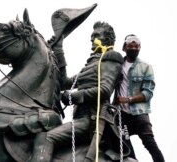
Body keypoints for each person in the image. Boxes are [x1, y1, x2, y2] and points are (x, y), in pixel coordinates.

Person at [29, 21, 126, 162]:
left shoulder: (111, 57)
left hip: (92, 120)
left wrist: (73, 97)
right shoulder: (92, 63)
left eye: (96, 35)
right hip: (80, 118)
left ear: (107, 39)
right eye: (92, 36)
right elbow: (65, 83)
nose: (92, 39)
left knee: (45, 138)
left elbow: (105, 90)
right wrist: (58, 49)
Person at [114, 34, 165, 162]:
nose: (134, 48)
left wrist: (128, 99)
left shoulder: (145, 67)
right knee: (123, 143)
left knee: (150, 144)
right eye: (131, 46)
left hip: (140, 113)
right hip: (122, 115)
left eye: (136, 46)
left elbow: (148, 93)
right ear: (124, 47)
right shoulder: (117, 66)